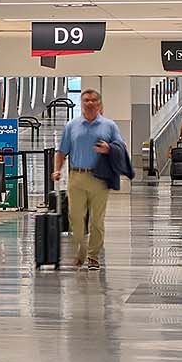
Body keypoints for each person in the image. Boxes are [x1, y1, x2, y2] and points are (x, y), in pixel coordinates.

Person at [57, 88, 129, 270]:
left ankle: (93, 256)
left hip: (99, 178)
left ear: (99, 104)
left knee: (97, 220)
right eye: (86, 100)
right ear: (81, 104)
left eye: (93, 100)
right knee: (75, 217)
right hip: (76, 177)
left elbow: (121, 146)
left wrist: (109, 149)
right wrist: (57, 170)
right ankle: (81, 251)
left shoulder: (109, 126)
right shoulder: (71, 126)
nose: (89, 103)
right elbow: (62, 151)